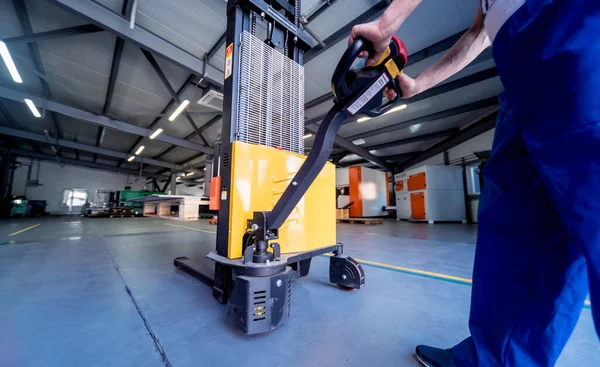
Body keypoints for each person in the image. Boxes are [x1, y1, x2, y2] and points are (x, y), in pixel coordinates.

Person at [350, 1, 600, 366]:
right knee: (519, 232)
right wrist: (418, 84)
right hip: (519, 70)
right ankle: (493, 359)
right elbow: (478, 34)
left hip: (576, 28)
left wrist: (388, 22)